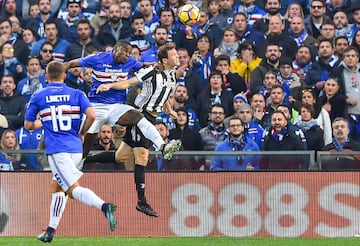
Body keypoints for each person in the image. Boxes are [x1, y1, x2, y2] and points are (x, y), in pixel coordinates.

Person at [24, 61, 117, 243]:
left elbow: (28, 125)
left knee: (72, 189)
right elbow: (91, 115)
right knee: (57, 187)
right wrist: (82, 132)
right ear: (65, 76)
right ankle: (50, 230)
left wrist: (43, 122)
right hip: (76, 149)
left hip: (58, 150)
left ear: (47, 77)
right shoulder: (77, 93)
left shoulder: (39, 95)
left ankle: (104, 206)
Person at [86, 42, 183, 217]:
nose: (178, 57)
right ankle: (142, 201)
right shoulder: (152, 71)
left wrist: (169, 109)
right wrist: (109, 86)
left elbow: (165, 94)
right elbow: (128, 83)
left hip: (153, 115)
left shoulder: (172, 76)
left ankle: (85, 160)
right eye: (174, 55)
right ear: (164, 59)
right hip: (140, 115)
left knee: (120, 156)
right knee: (142, 156)